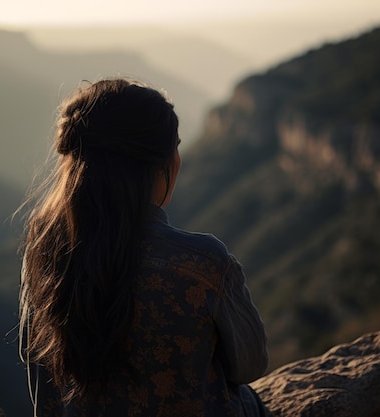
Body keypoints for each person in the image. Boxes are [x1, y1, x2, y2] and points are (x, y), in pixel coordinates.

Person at [18, 78, 270, 417]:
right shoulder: (203, 263)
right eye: (176, 146)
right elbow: (250, 365)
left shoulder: (44, 251)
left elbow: (37, 370)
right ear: (159, 164)